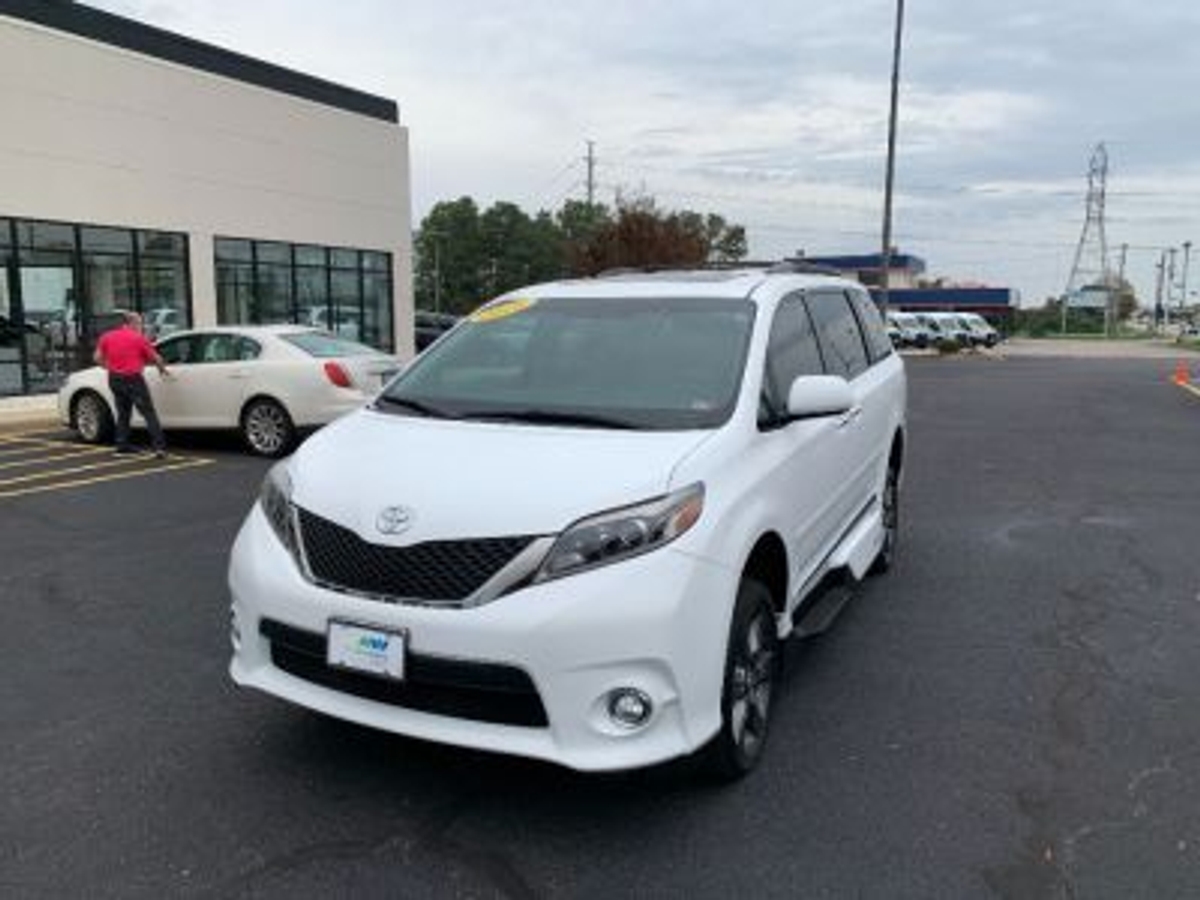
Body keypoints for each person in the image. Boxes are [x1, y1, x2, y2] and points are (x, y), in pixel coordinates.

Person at [93, 310, 170, 457]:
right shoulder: (138, 338)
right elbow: (156, 358)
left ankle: (122, 445)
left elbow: (97, 358)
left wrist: (109, 367)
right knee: (148, 412)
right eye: (141, 323)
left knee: (123, 413)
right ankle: (159, 447)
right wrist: (162, 370)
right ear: (133, 323)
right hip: (133, 379)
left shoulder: (107, 336)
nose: (142, 327)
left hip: (114, 379)